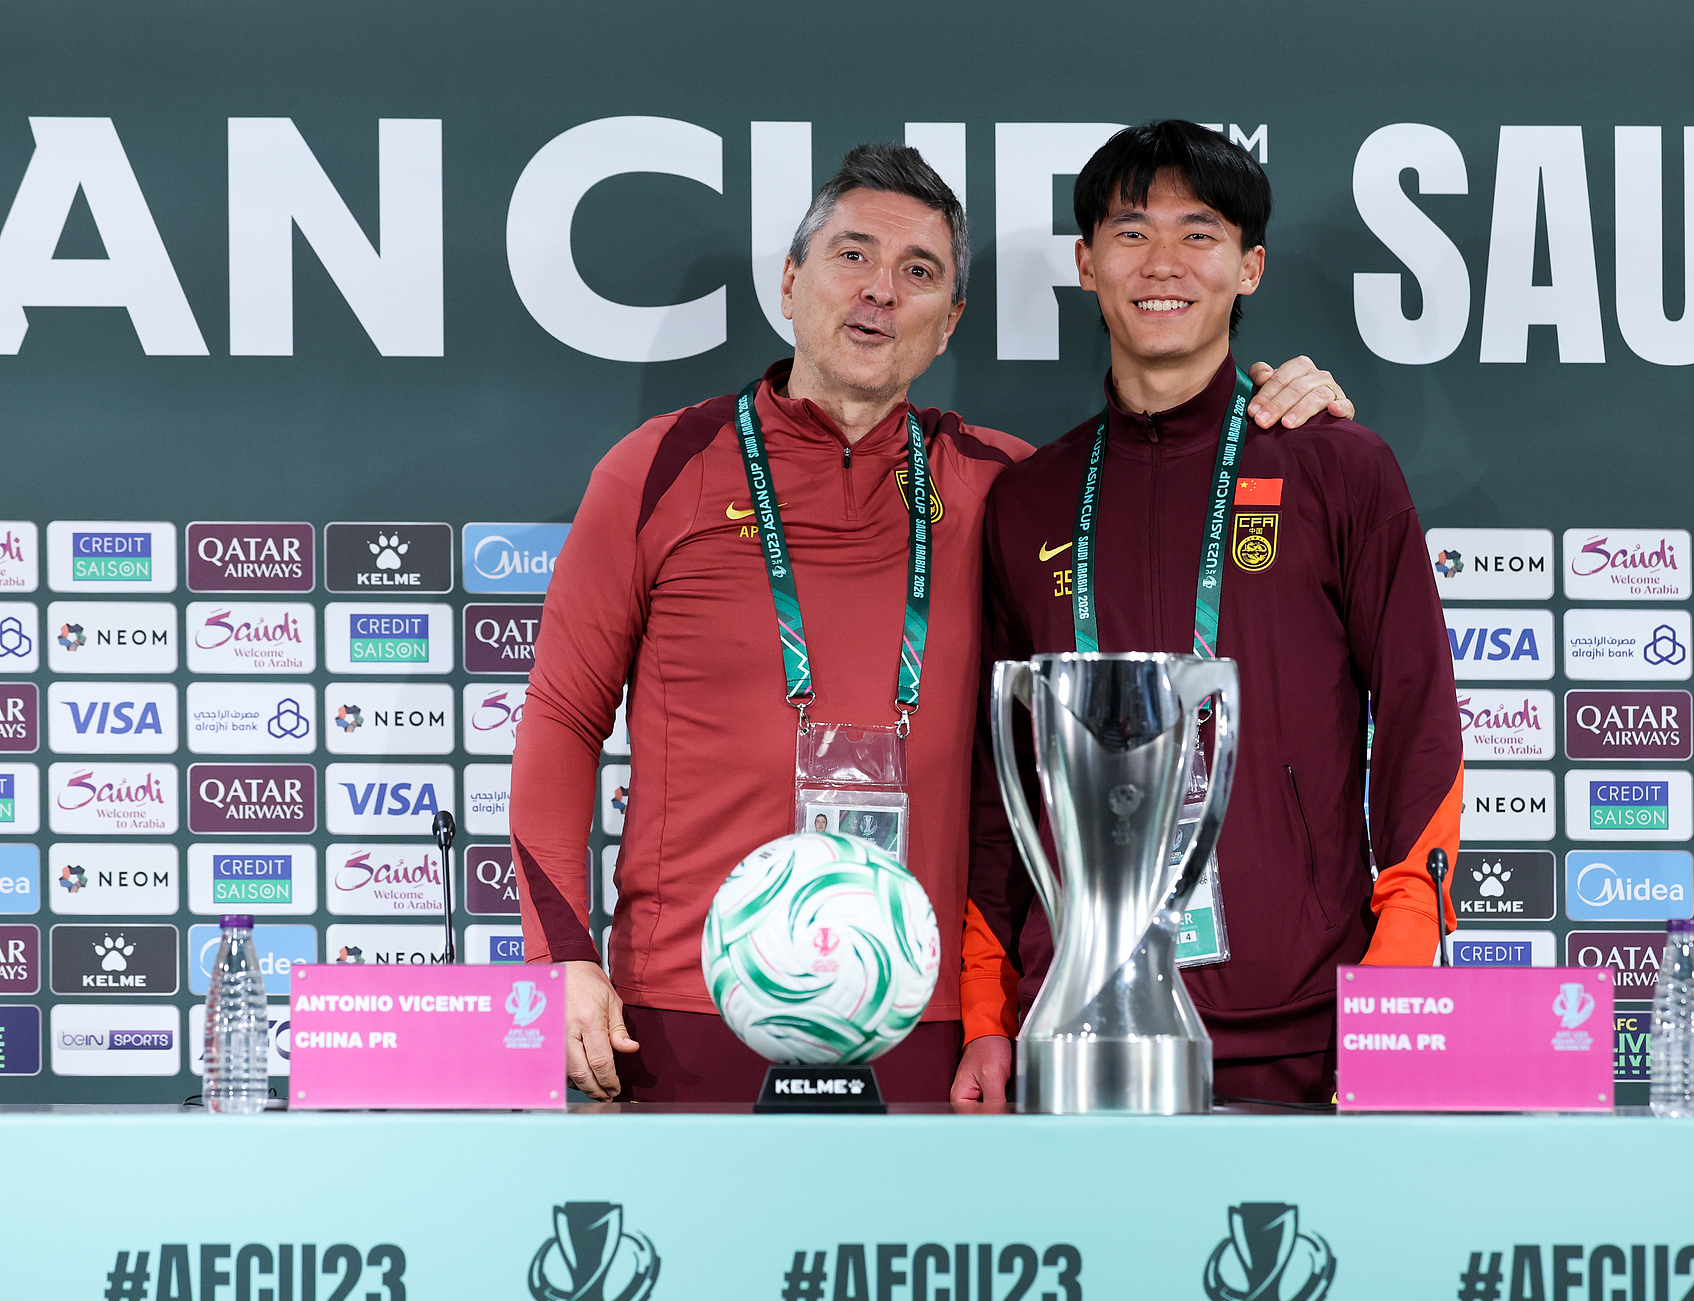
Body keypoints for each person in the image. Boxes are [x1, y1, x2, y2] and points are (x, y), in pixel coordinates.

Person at [511, 141, 1355, 1103]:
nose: (880, 292)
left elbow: (1167, 474)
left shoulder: (1014, 490)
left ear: (949, 322)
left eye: (919, 273)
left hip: (928, 1021)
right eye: (852, 256)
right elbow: (560, 719)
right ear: (791, 282)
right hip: (687, 1007)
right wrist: (563, 958)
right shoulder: (658, 469)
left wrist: (1283, 404)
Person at [953, 122, 1463, 1107]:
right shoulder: (1027, 499)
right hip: (1078, 1028)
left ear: (1249, 266)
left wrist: (1395, 992)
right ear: (1085, 262)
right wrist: (987, 1013)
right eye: (1131, 232)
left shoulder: (1336, 467)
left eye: (1198, 234)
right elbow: (994, 781)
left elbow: (1418, 721)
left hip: (1307, 1035)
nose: (1162, 264)